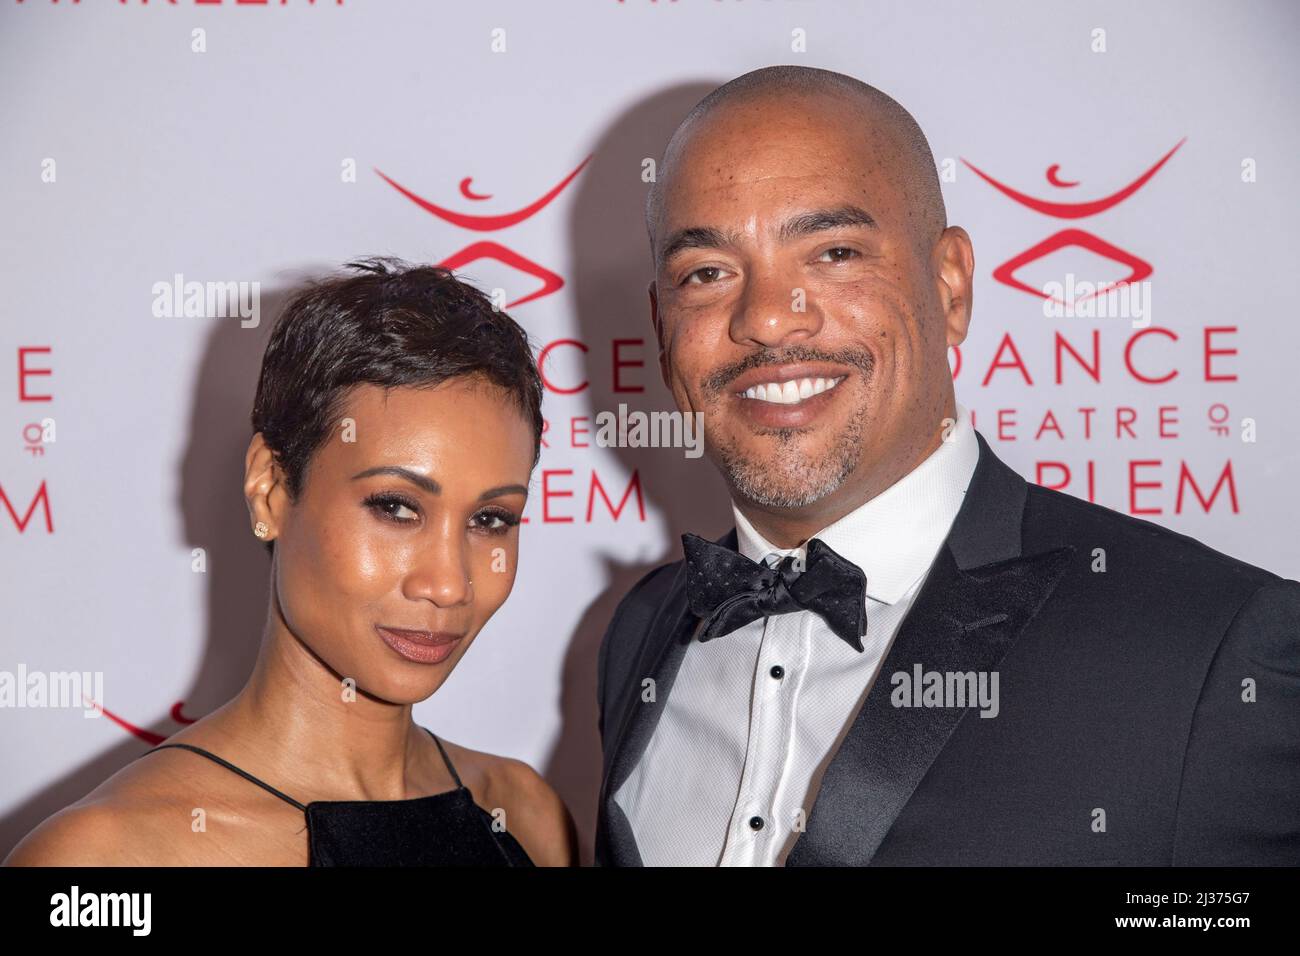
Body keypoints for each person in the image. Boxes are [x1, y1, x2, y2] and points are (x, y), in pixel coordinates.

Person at [595, 66, 1300, 866]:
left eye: (832, 252)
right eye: (707, 273)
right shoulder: (642, 634)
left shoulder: (1214, 647)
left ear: (951, 286)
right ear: (661, 324)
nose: (764, 318)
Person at [7, 257, 576, 866]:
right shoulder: (107, 857)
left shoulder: (525, 815)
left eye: (491, 520)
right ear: (272, 490)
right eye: (395, 507)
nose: (447, 584)